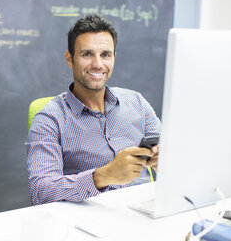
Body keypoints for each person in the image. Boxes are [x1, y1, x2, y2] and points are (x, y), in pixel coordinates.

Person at [25, 14, 161, 205]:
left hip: (143, 212)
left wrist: (164, 160)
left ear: (114, 57)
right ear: (69, 58)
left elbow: (172, 158)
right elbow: (41, 191)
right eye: (87, 54)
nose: (98, 64)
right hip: (87, 223)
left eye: (105, 54)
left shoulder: (137, 102)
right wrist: (103, 175)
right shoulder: (49, 119)